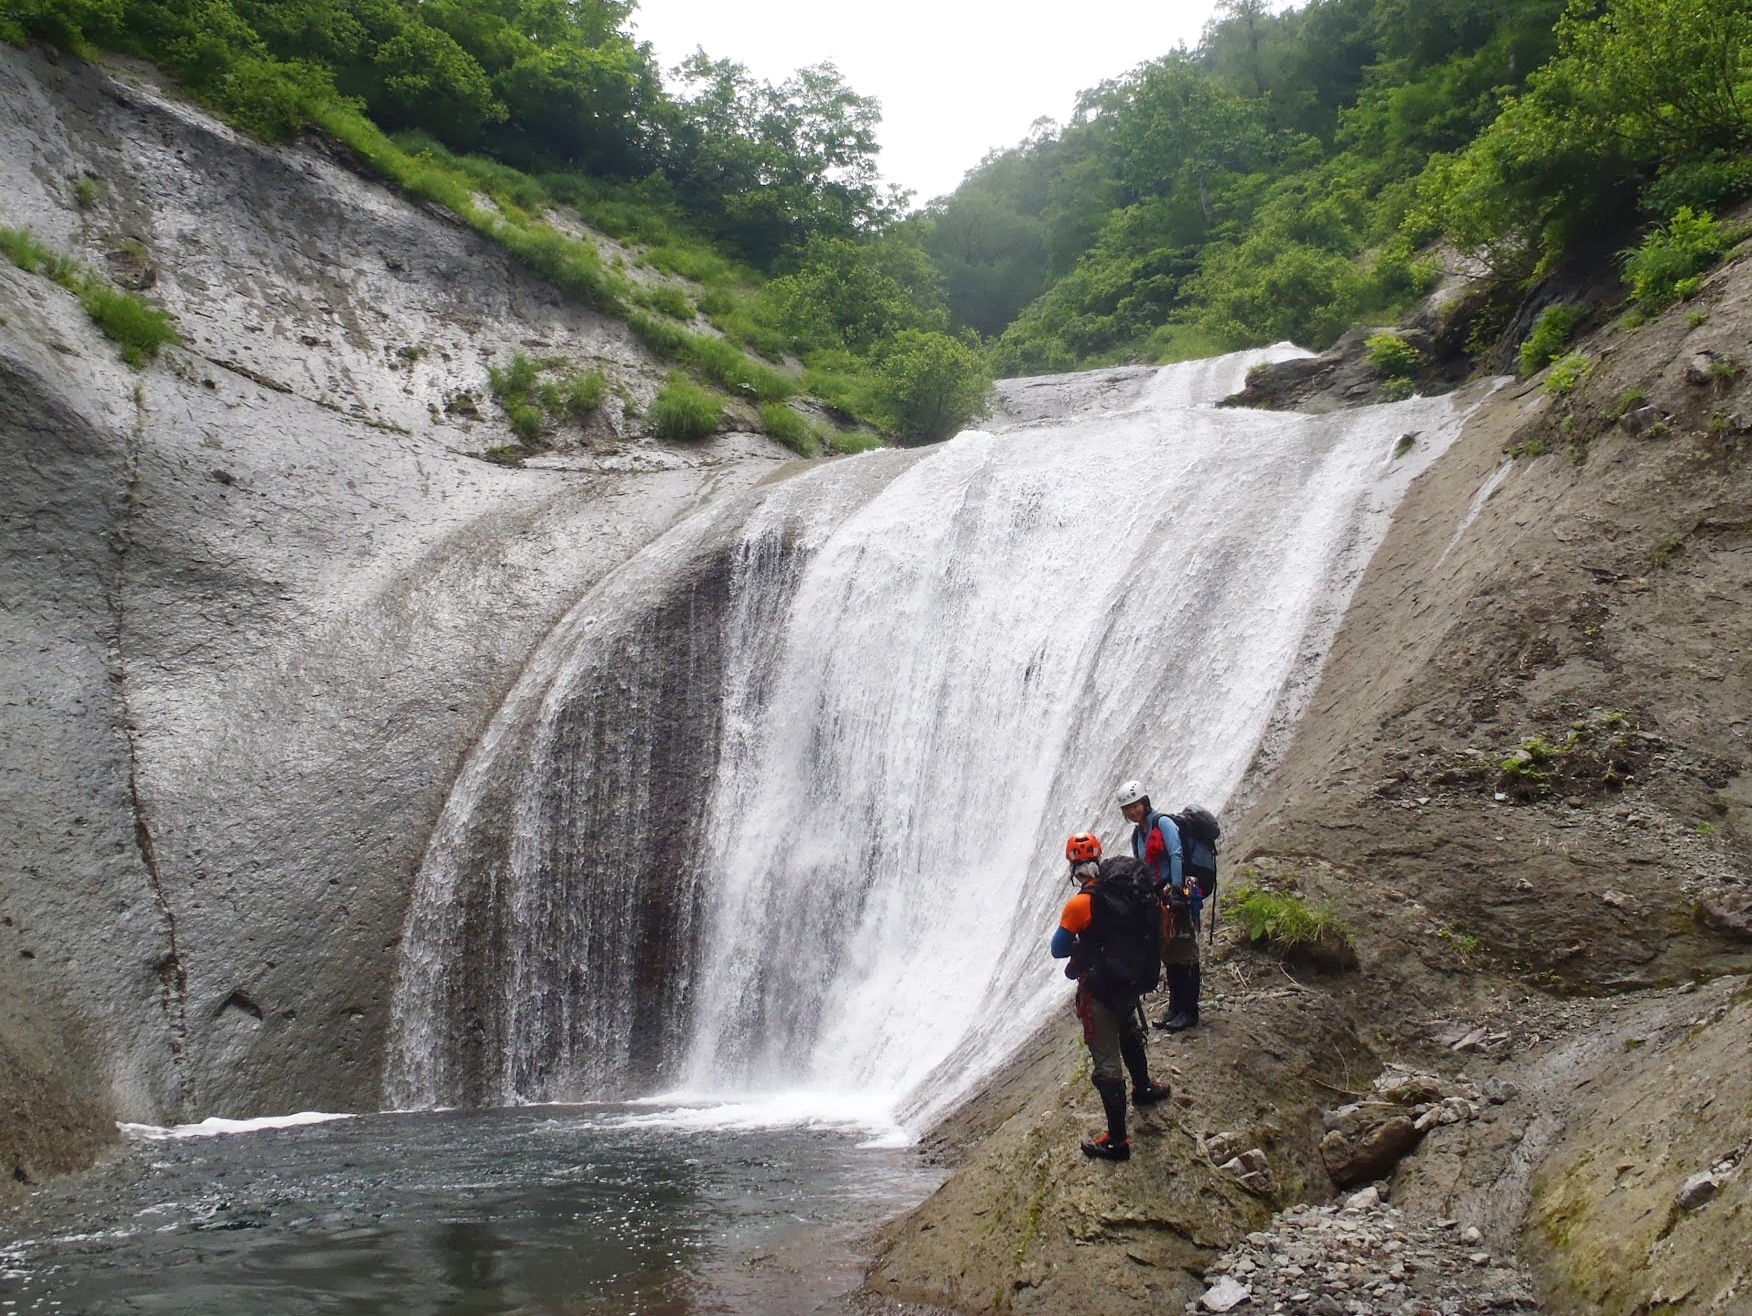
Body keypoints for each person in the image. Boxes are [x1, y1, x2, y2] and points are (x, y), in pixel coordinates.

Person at [1051, 833, 1172, 1161]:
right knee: (1130, 1033)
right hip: (1130, 983)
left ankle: (1117, 1141)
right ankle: (1144, 1088)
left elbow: (1057, 949)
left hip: (1099, 991)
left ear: (1074, 868)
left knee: (1107, 1063)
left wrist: (1084, 947)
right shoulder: (1128, 892)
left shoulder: (1081, 904)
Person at [1116, 780, 1203, 1032]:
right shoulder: (1138, 835)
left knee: (1185, 950)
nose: (1133, 811)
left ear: (1145, 802)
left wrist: (1177, 891)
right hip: (1158, 897)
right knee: (1169, 951)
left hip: (1177, 892)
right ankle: (1175, 1008)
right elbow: (1141, 867)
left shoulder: (1163, 823)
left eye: (1136, 805)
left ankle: (1189, 1011)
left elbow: (1175, 854)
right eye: (1128, 808)